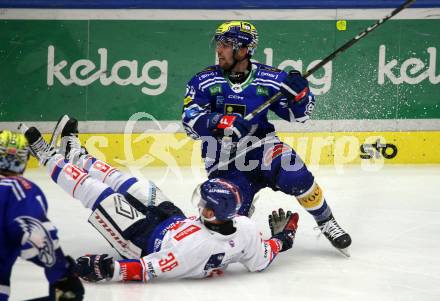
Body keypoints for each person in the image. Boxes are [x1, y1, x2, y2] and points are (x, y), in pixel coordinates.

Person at [21, 116, 299, 283]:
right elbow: (263, 256)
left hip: (141, 239)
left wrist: (108, 269)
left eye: (205, 206)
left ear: (214, 214)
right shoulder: (244, 227)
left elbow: (145, 269)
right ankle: (78, 157)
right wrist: (284, 238)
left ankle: (46, 156)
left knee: (96, 193)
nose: (200, 206)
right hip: (173, 220)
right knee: (129, 183)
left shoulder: (191, 251)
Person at [182, 21, 351, 255]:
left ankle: (325, 221)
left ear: (243, 49)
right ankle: (243, 210)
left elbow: (299, 116)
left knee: (296, 175)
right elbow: (189, 123)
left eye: (226, 44)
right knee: (224, 224)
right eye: (218, 44)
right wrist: (219, 122)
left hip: (262, 147)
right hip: (223, 161)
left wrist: (300, 95)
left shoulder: (270, 78)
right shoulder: (204, 80)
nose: (219, 50)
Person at [0, 130, 84, 301]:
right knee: (70, 294)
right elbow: (36, 236)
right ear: (24, 161)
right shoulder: (17, 190)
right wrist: (62, 273)